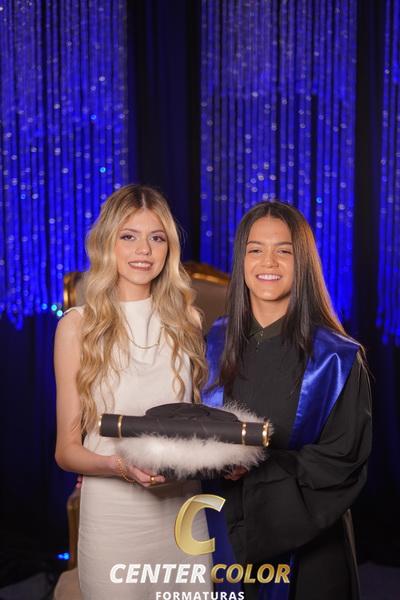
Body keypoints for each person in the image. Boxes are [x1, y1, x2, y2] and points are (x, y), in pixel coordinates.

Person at [204, 201, 372, 600]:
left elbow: (343, 459)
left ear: (304, 263)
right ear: (242, 259)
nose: (269, 262)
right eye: (256, 249)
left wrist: (256, 468)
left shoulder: (336, 358)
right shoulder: (211, 343)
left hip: (311, 553)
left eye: (284, 250)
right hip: (222, 535)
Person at [54, 184, 213, 599]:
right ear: (108, 243)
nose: (144, 249)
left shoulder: (188, 321)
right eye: (129, 236)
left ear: (168, 248)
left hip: (184, 519)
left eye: (156, 238)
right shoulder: (77, 326)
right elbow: (66, 451)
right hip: (114, 522)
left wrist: (225, 457)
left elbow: (195, 426)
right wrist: (118, 466)